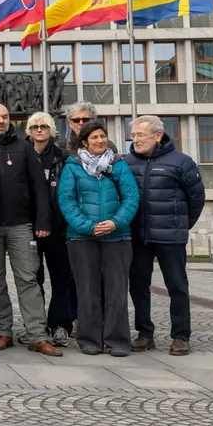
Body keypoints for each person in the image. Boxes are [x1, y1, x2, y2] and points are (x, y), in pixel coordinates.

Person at [0, 102, 61, 357]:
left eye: (5, 117)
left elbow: (39, 187)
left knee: (28, 279)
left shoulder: (24, 148)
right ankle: (2, 332)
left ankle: (37, 335)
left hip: (21, 225)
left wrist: (43, 221)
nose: (0, 121)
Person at [58, 120, 140, 356]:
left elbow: (131, 198)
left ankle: (118, 341)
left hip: (118, 237)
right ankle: (90, 340)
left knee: (116, 292)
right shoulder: (72, 167)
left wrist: (115, 222)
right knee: (87, 291)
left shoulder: (119, 165)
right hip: (82, 238)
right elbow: (67, 201)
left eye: (102, 136)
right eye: (94, 137)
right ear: (84, 142)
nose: (100, 141)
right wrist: (89, 227)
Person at [126, 115, 204, 357]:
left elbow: (197, 199)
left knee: (177, 286)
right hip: (138, 236)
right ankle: (145, 333)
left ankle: (181, 336)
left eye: (141, 135)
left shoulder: (181, 162)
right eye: (133, 135)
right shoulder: (126, 162)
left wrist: (181, 225)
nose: (135, 140)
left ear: (158, 135)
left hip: (171, 236)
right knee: (138, 286)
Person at [26, 111, 76, 347]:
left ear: (52, 130)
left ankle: (60, 325)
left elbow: (70, 193)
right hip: (28, 227)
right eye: (35, 126)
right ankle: (37, 326)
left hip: (58, 228)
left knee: (61, 279)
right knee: (32, 280)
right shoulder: (21, 155)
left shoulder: (64, 157)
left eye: (44, 126)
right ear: (29, 130)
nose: (39, 130)